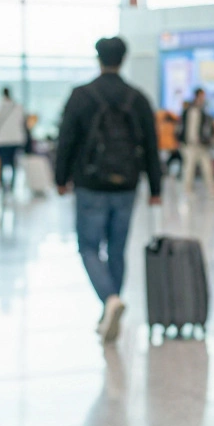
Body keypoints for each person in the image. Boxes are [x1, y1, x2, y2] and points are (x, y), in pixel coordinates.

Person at [55, 38, 163, 343]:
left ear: (98, 58)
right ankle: (111, 305)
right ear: (124, 58)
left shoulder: (81, 96)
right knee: (117, 248)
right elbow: (152, 147)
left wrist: (60, 178)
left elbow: (66, 139)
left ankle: (110, 299)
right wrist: (156, 187)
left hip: (90, 184)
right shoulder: (137, 98)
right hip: (127, 184)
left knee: (89, 247)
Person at [180, 88, 214, 197]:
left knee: (207, 167)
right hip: (189, 145)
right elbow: (182, 127)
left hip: (202, 144)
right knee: (189, 168)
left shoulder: (204, 112)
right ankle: (187, 190)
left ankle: (213, 189)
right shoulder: (188, 110)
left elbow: (207, 128)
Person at [0, 87, 27, 193]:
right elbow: (24, 123)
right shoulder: (19, 107)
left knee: (0, 163)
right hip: (16, 139)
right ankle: (12, 185)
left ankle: (2, 184)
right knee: (13, 163)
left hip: (1, 140)